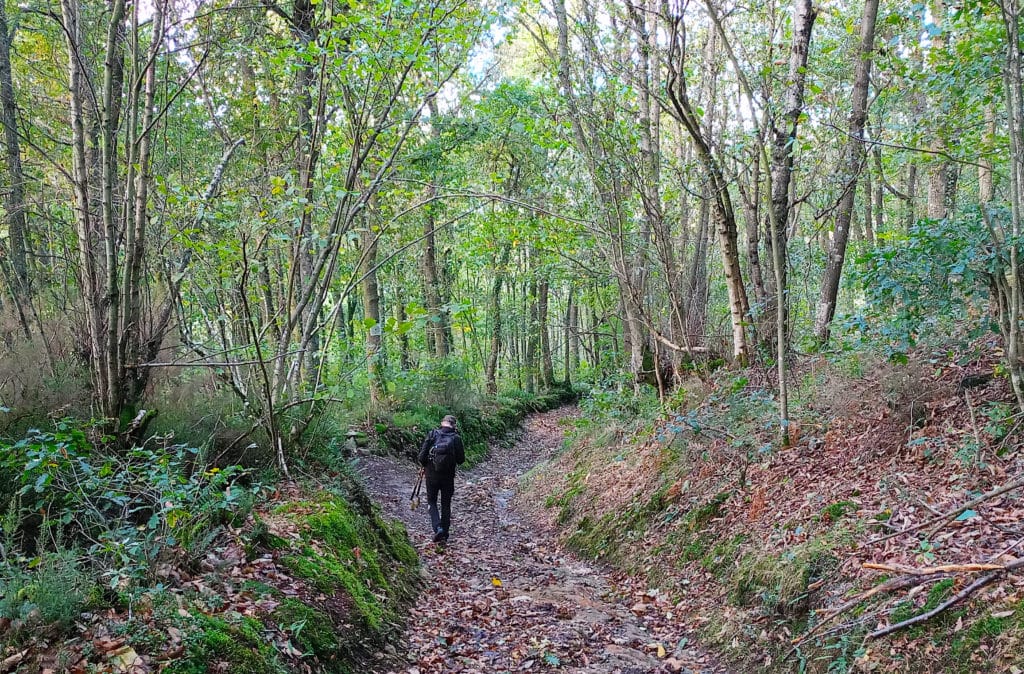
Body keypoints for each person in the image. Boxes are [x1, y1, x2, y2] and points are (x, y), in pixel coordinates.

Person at [417, 414, 465, 543]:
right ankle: (445, 533)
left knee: (431, 501)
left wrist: (426, 464)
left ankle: (437, 527)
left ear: (442, 423)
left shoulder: (433, 434)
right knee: (446, 503)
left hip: (431, 475)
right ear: (453, 425)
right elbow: (461, 460)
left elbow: (421, 457)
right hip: (448, 477)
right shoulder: (456, 438)